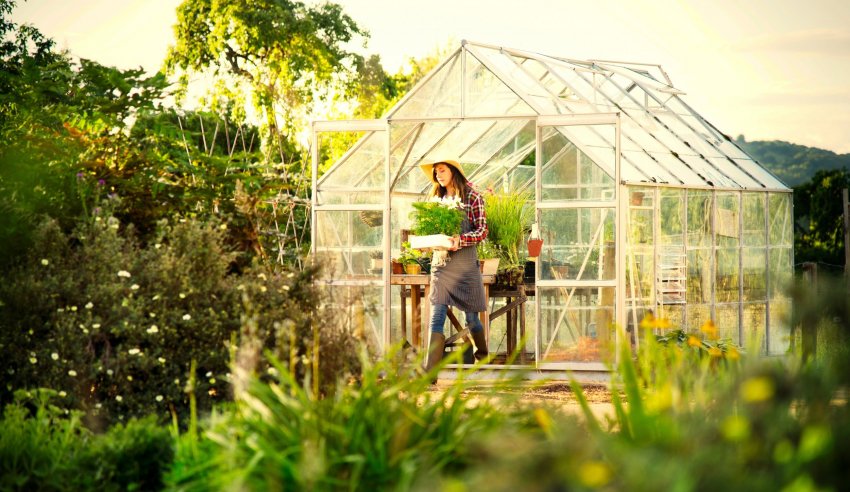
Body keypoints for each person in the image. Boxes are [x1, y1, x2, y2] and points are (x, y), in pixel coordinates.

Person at [418, 159, 489, 375]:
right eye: (435, 172)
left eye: (442, 170)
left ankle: (482, 358)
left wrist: (462, 240)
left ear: (453, 171)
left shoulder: (472, 196)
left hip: (465, 267)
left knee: (471, 318)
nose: (438, 175)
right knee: (436, 315)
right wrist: (426, 244)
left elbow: (483, 230)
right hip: (441, 265)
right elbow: (429, 230)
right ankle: (430, 373)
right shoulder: (435, 199)